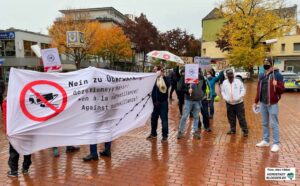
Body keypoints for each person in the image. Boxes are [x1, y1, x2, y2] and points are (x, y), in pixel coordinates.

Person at [254, 57, 284, 152]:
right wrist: (256, 101)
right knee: (265, 123)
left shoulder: (277, 75)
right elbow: (259, 89)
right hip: (263, 103)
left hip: (272, 103)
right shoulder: (262, 75)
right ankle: (266, 141)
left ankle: (276, 143)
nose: (265, 64)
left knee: (274, 124)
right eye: (264, 62)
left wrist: (276, 85)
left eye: (267, 62)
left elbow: (282, 90)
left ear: (271, 64)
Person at [2, 98, 32, 177]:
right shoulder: (26, 97)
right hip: (27, 127)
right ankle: (25, 168)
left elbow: (6, 116)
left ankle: (14, 171)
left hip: (15, 128)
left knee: (14, 149)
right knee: (27, 148)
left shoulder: (7, 101)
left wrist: (7, 129)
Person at [177, 68, 206, 140]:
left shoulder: (201, 77)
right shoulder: (185, 77)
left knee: (196, 116)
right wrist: (187, 90)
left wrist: (202, 95)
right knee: (184, 116)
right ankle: (180, 131)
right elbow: (179, 88)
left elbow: (204, 87)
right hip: (188, 100)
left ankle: (195, 131)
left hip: (197, 100)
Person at [221, 69, 248, 137]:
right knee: (231, 117)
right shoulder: (224, 82)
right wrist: (226, 98)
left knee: (241, 117)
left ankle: (245, 131)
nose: (230, 75)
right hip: (229, 103)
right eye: (229, 74)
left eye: (231, 74)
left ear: (233, 74)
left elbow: (243, 89)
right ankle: (233, 129)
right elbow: (223, 92)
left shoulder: (238, 81)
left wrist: (240, 96)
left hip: (239, 103)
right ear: (226, 75)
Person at [147, 66, 170, 142]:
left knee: (164, 120)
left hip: (163, 103)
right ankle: (153, 134)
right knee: (153, 119)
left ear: (160, 71)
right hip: (154, 104)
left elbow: (166, 87)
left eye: (156, 70)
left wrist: (162, 77)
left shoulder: (165, 79)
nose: (154, 71)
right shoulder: (152, 80)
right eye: (154, 70)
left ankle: (165, 136)